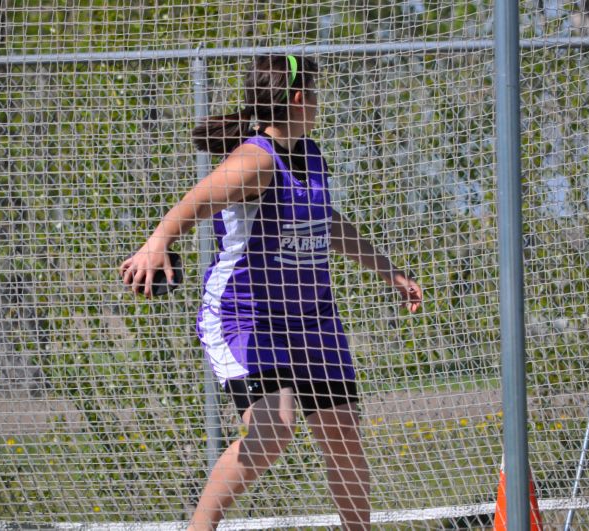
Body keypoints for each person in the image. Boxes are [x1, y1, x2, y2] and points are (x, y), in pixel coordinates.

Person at [119, 55, 422, 530]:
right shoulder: (256, 159)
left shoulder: (312, 155)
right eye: (316, 91)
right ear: (299, 97)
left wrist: (388, 270)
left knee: (343, 439)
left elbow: (326, 223)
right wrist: (157, 243)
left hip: (313, 320)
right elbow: (198, 200)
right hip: (248, 318)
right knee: (272, 430)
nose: (321, 100)